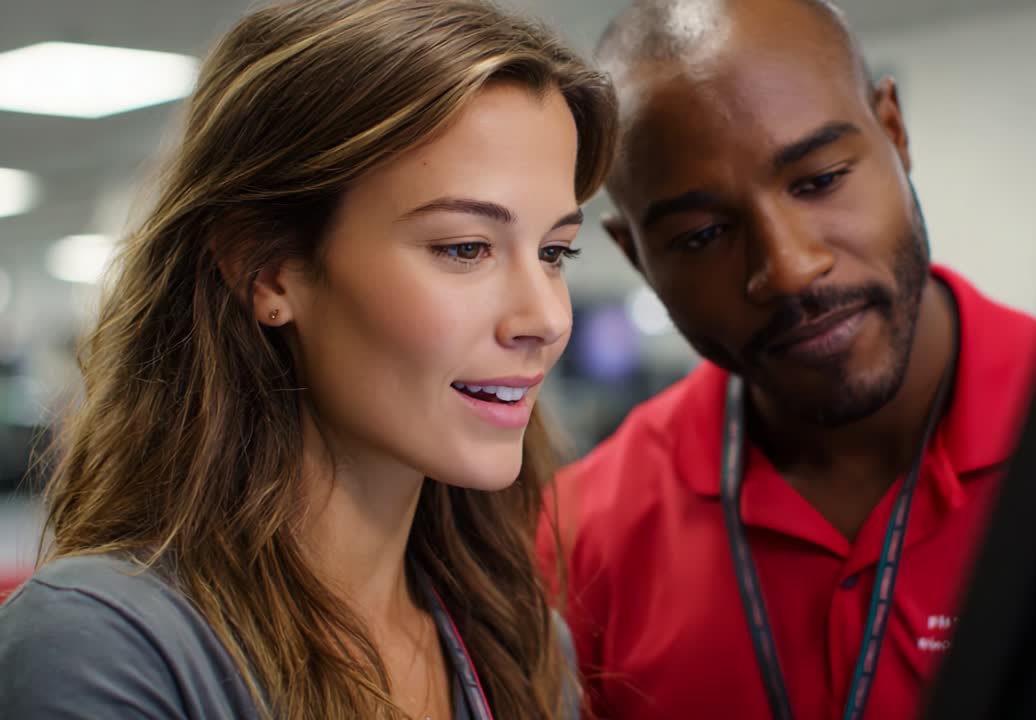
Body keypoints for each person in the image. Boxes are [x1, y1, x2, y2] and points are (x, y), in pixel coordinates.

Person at [0, 1, 615, 718]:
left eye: (554, 253)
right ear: (268, 270)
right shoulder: (104, 645)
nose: (546, 318)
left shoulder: (522, 644)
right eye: (464, 248)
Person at [536, 1, 1036, 718]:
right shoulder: (580, 539)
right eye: (704, 233)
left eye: (819, 180)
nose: (788, 267)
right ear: (638, 257)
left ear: (895, 133)